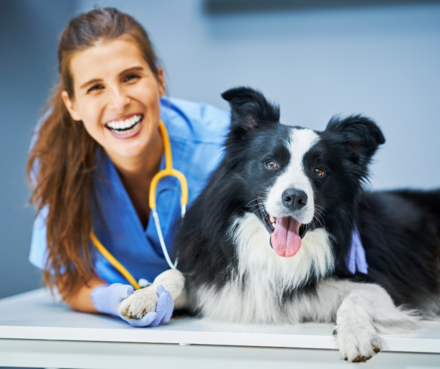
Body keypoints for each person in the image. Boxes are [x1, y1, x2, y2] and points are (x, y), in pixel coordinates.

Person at [27, 8, 229, 327]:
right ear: (72, 105)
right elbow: (67, 277)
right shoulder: (53, 154)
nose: (119, 101)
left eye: (130, 77)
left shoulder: (222, 148)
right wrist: (112, 302)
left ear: (159, 81)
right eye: (95, 87)